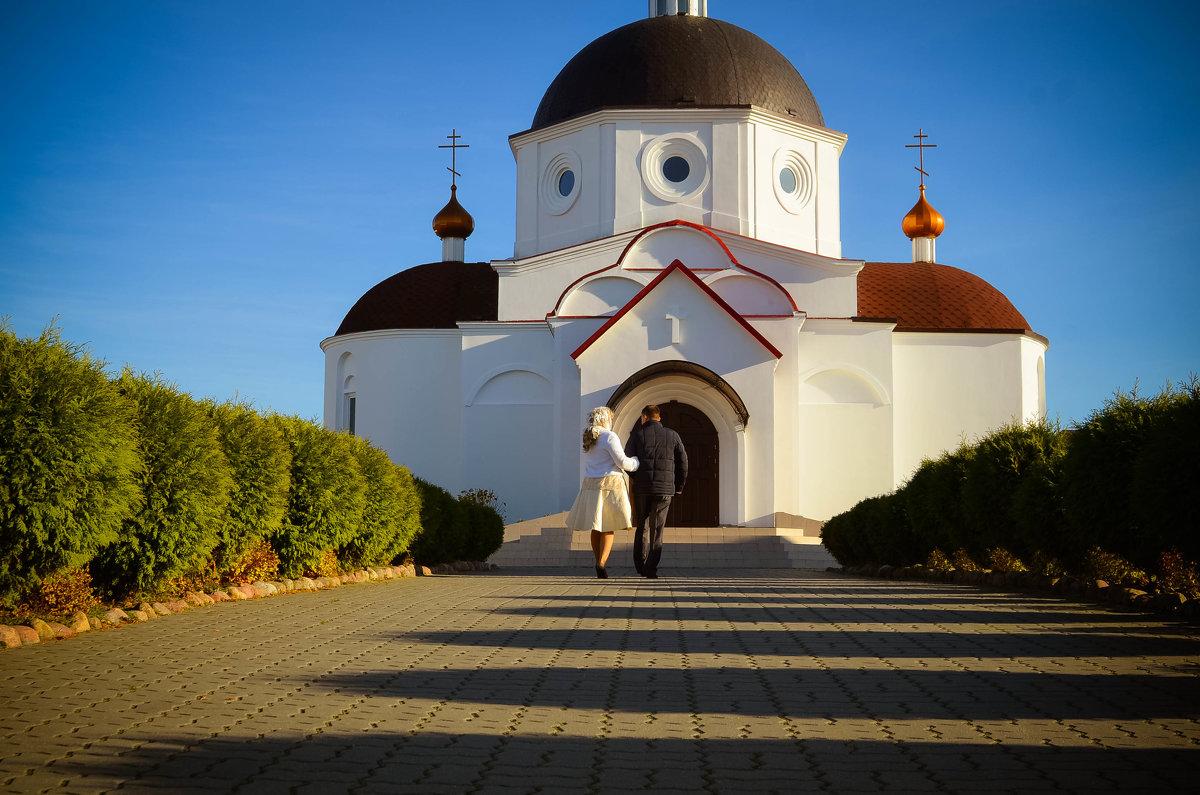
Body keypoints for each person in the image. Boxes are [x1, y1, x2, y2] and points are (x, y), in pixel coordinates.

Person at [564, 406, 639, 578]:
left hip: (590, 485)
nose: (611, 421)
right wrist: (636, 462)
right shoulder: (609, 436)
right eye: (610, 418)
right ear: (605, 419)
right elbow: (623, 463)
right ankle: (602, 563)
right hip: (610, 484)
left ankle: (597, 560)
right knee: (608, 526)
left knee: (595, 526)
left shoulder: (590, 437)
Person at [624, 404, 687, 578]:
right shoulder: (672, 435)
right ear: (659, 418)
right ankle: (651, 568)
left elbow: (626, 461)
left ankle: (640, 565)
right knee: (657, 528)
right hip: (665, 489)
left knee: (642, 525)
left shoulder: (636, 435)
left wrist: (637, 477)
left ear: (644, 417)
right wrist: (679, 486)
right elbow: (683, 462)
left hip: (642, 488)